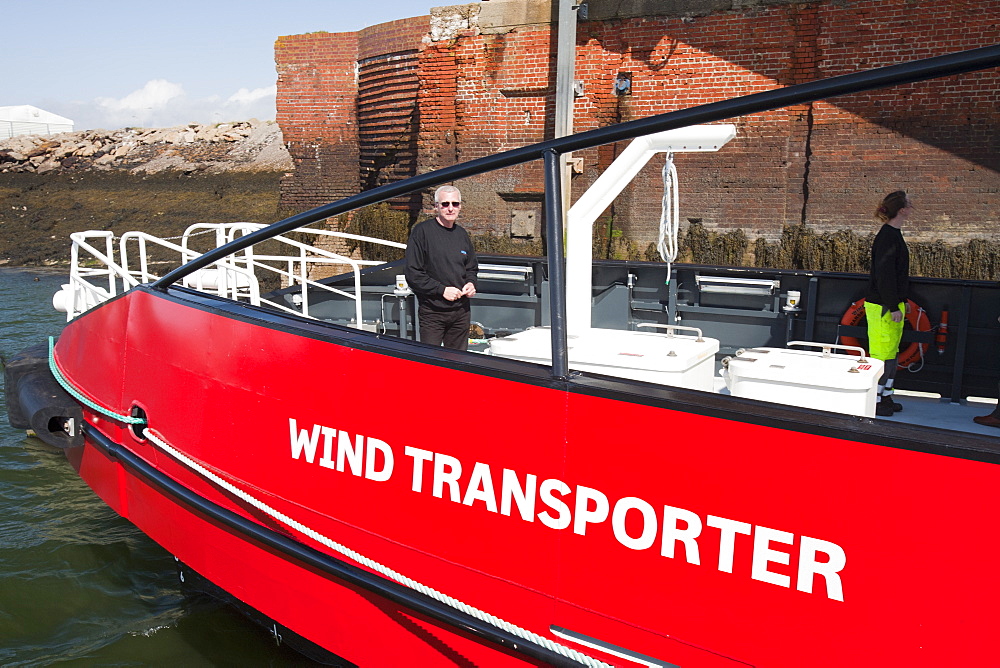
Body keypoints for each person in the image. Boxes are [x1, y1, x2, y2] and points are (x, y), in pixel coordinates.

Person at [404, 185, 478, 351]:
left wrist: (471, 283)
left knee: (458, 363)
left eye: (455, 204)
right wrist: (441, 290)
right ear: (436, 206)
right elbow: (413, 273)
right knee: (431, 365)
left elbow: (471, 268)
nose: (450, 208)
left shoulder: (462, 234)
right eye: (445, 204)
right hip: (433, 312)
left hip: (461, 312)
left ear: (460, 206)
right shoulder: (422, 232)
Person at [866, 190, 913, 417]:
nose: (912, 207)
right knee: (881, 355)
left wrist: (901, 302)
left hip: (892, 305)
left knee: (891, 352)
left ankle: (886, 395)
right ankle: (874, 400)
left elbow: (895, 275)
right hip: (883, 307)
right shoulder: (887, 237)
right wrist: (894, 306)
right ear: (901, 210)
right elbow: (885, 276)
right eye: (909, 204)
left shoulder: (893, 234)